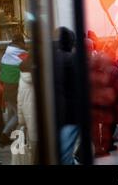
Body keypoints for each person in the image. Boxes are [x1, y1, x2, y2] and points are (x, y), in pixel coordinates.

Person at [54, 27, 80, 165]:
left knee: (64, 155)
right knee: (66, 156)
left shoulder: (51, 60)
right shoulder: (72, 60)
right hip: (70, 114)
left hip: (57, 114)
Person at [0, 34, 27, 145]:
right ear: (21, 43)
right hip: (16, 89)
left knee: (12, 114)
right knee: (19, 115)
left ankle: (9, 136)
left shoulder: (6, 53)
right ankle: (5, 135)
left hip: (6, 88)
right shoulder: (22, 54)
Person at [15, 54, 37, 165]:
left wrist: (21, 119)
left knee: (32, 141)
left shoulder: (22, 79)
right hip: (39, 115)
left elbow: (19, 100)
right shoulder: (39, 79)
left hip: (28, 115)